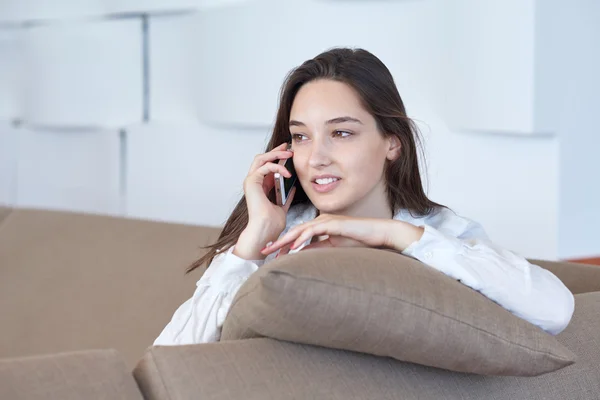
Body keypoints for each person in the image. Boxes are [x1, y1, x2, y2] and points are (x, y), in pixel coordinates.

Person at [154, 48, 574, 345]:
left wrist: (391, 234)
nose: (315, 157)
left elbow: (554, 309)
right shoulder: (275, 240)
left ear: (392, 143)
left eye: (341, 133)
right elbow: (169, 362)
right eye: (300, 136)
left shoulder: (435, 236)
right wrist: (253, 239)